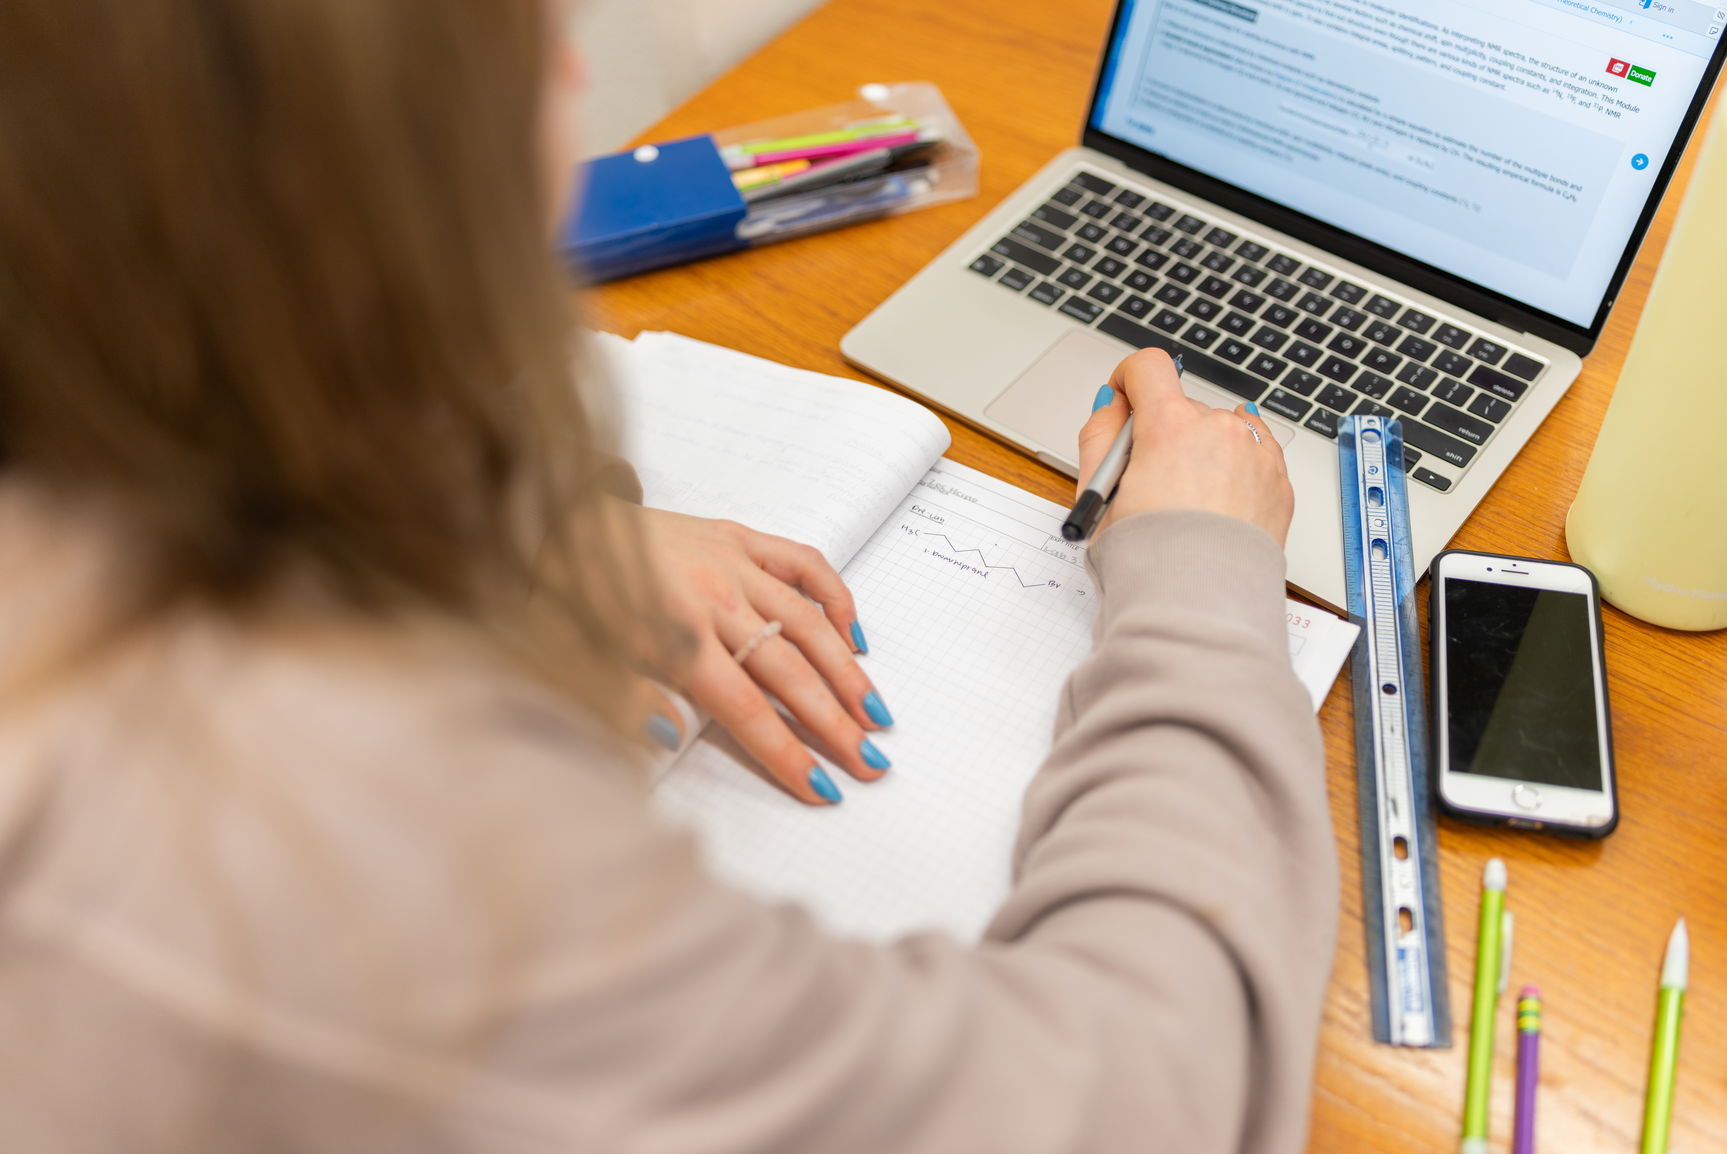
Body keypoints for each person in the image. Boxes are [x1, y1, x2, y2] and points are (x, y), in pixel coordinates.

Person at [0, 1, 1337, 1151]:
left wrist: (518, 521)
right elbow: (1146, 1097)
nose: (577, 87)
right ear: (344, 183)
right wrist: (1202, 572)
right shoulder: (369, 869)